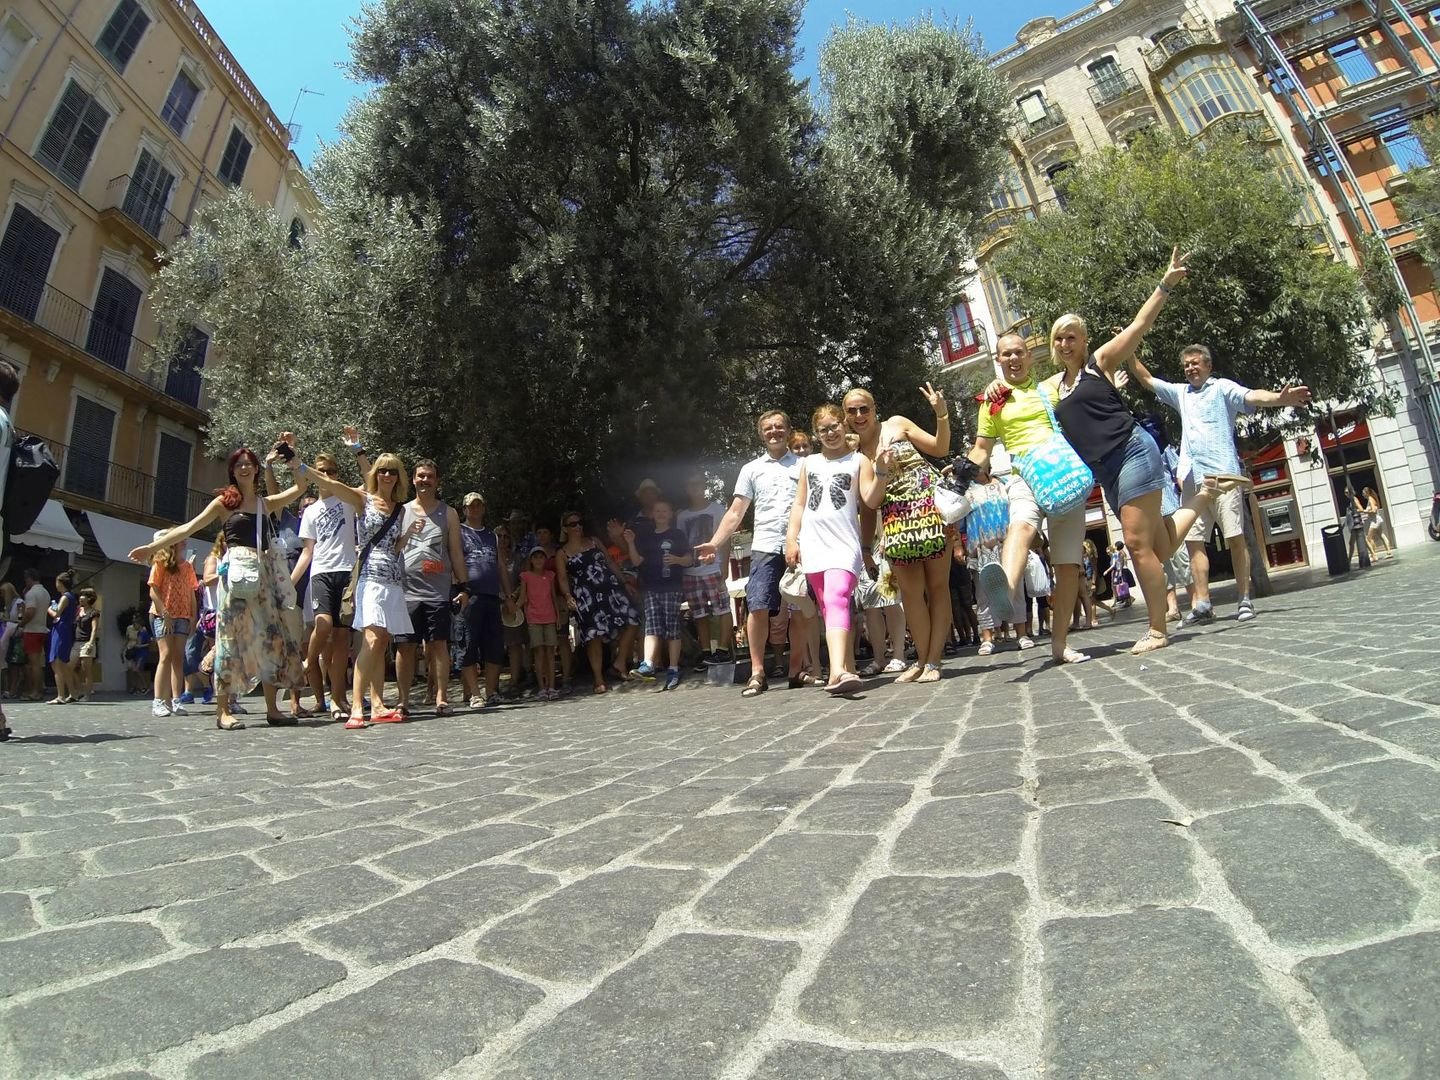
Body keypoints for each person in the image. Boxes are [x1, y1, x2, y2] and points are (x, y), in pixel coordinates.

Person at [1019, 250, 1245, 654]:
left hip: (1133, 452)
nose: (1065, 342)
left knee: (1139, 547)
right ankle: (1207, 492)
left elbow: (1141, 325)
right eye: (1059, 337)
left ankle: (1158, 629)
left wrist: (1165, 283)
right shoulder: (1051, 389)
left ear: (1084, 341)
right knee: (1159, 546)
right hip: (1104, 470)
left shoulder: (1100, 363)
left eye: (1072, 336)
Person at [1128, 342, 1312, 623]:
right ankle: (1202, 604)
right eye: (1186, 364)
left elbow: (1252, 396)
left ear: (1208, 365)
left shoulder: (1222, 388)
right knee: (1193, 541)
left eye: (1195, 363)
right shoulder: (1181, 393)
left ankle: (1244, 599)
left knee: (1235, 537)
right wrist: (1129, 351)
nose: (1190, 368)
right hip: (1193, 477)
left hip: (1224, 474)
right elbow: (1147, 379)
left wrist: (1279, 398)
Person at [127, 445, 308, 730]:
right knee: (229, 641)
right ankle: (222, 711)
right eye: (239, 465)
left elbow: (300, 486)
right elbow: (188, 528)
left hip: (262, 578)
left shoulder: (264, 503)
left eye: (249, 463)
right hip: (235, 578)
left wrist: (291, 457)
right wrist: (153, 547)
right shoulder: (224, 503)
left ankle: (273, 709)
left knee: (271, 638)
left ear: (257, 468)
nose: (244, 468)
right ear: (233, 471)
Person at [963, 333, 1091, 664]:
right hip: (1023, 477)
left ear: (1029, 357)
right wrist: (960, 475)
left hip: (1063, 477)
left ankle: (1060, 646)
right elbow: (981, 450)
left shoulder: (1048, 388)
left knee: (1066, 566)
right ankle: (1004, 591)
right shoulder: (992, 402)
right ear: (998, 359)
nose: (1014, 359)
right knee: (1020, 527)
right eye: (1006, 355)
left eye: (1019, 352)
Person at [279, 437, 419, 728]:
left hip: (393, 580)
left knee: (382, 643)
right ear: (376, 474)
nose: (387, 475)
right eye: (382, 470)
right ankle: (356, 706)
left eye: (393, 471)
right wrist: (299, 465)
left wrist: (409, 535)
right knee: (371, 639)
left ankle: (377, 704)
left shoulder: (401, 510)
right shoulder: (361, 499)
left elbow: (395, 549)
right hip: (368, 578)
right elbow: (328, 484)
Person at [843, 384, 952, 683]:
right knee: (912, 596)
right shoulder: (855, 456)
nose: (859, 414)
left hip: (931, 509)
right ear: (846, 417)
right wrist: (866, 548)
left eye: (864, 408)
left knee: (938, 587)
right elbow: (867, 506)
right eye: (852, 411)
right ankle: (922, 658)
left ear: (874, 408)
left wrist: (941, 415)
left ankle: (933, 661)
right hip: (895, 521)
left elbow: (940, 449)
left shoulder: (898, 424)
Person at [784, 403, 892, 695]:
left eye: (834, 426)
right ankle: (846, 669)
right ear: (817, 434)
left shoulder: (859, 461)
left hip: (845, 543)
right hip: (813, 544)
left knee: (836, 596)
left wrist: (880, 470)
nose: (830, 433)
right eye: (823, 429)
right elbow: (799, 504)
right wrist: (792, 538)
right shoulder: (810, 463)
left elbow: (870, 500)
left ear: (844, 426)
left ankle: (837, 672)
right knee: (831, 605)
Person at [695, 410, 804, 698]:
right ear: (761, 434)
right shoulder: (751, 469)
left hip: (801, 545)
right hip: (766, 546)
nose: (774, 432)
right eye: (768, 428)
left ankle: (797, 670)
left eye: (779, 427)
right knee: (757, 607)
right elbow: (735, 512)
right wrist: (715, 543)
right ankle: (757, 672)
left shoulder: (806, 465)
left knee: (802, 608)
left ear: (788, 430)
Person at [394, 459, 468, 717]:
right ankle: (403, 700)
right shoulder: (401, 512)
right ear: (413, 480)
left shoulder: (448, 513)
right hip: (406, 591)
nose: (425, 480)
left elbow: (456, 552)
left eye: (430, 476)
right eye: (420, 476)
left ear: (437, 481)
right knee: (405, 647)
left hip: (438, 591)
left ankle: (441, 698)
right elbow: (393, 549)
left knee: (439, 644)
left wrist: (464, 585)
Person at [291, 451, 358, 720]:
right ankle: (308, 663)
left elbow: (369, 483)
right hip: (322, 573)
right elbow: (308, 552)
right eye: (321, 471)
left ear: (337, 475)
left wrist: (356, 449)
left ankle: (337, 699)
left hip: (347, 572)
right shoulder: (310, 511)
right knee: (324, 623)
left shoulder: (348, 499)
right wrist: (289, 583)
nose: (326, 476)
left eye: (331, 471)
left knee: (342, 641)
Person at [555, 511, 640, 694]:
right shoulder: (562, 553)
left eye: (579, 523)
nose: (577, 526)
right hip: (586, 596)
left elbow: (609, 562)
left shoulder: (594, 541)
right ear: (565, 528)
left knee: (633, 619)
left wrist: (625, 583)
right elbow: (562, 579)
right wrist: (568, 597)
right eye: (572, 524)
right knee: (593, 636)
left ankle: (619, 662)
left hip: (610, 589)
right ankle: (598, 678)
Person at [624, 498, 694, 691]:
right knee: (652, 625)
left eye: (665, 511)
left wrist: (677, 559)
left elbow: (689, 560)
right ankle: (648, 663)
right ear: (653, 514)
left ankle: (673, 667)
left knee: (672, 627)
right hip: (651, 587)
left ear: (671, 514)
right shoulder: (646, 536)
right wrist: (630, 542)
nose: (661, 514)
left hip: (671, 586)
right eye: (657, 511)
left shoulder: (677, 534)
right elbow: (637, 561)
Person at [677, 473, 734, 668]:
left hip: (713, 568)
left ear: (704, 486)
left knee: (723, 609)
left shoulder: (717, 509)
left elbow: (726, 540)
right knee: (699, 614)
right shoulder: (682, 516)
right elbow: (681, 545)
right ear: (686, 488)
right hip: (691, 571)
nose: (695, 487)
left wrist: (724, 566)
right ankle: (706, 651)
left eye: (698, 484)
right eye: (691, 484)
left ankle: (723, 649)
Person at [459, 492, 509, 709]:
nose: (475, 509)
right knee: (468, 644)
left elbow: (500, 566)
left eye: (479, 505)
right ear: (464, 509)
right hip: (470, 595)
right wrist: (460, 589)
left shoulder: (492, 536)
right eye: (471, 506)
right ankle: (474, 693)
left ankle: (491, 691)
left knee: (494, 645)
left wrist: (508, 595)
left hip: (491, 596)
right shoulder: (458, 532)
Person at [148, 535, 198, 717]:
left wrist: (193, 616)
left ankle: (176, 700)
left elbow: (192, 592)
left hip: (183, 616)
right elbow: (153, 591)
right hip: (163, 615)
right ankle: (159, 700)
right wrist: (164, 613)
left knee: (178, 658)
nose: (184, 541)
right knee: (165, 655)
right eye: (180, 539)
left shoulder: (187, 567)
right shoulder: (160, 563)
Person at [516, 547, 560, 700]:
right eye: (536, 557)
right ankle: (542, 687)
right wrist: (513, 609)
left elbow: (553, 596)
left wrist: (558, 616)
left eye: (542, 557)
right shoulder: (526, 576)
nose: (539, 560)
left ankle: (552, 686)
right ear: (531, 560)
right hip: (534, 618)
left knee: (550, 653)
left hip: (549, 617)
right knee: (539, 653)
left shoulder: (550, 575)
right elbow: (523, 597)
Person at [44, 571, 77, 704]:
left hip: (61, 629)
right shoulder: (71, 597)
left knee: (56, 663)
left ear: (61, 583)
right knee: (62, 664)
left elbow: (56, 614)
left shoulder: (65, 597)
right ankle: (72, 693)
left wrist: (49, 609)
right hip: (64, 629)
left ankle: (60, 695)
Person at [21, 567, 50, 700]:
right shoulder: (45, 592)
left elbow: (30, 611)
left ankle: (35, 692)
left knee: (34, 664)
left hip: (32, 630)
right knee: (38, 663)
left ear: (29, 578)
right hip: (42, 629)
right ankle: (39, 690)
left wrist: (22, 623)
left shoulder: (31, 593)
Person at [72, 588, 99, 700]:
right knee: (70, 667)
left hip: (86, 642)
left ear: (89, 598)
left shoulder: (94, 612)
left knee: (86, 669)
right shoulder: (78, 610)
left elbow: (94, 628)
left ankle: (87, 694)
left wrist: (91, 643)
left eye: (83, 595)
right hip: (76, 642)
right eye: (80, 595)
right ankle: (77, 690)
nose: (80, 598)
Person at [1362, 486, 1393, 559]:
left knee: (1369, 538)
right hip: (1376, 519)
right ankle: (1389, 552)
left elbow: (1374, 510)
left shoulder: (1370, 499)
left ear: (1367, 493)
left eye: (1363, 493)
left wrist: (1364, 511)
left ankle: (1373, 555)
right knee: (1381, 535)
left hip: (1375, 520)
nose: (1362, 494)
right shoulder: (1371, 499)